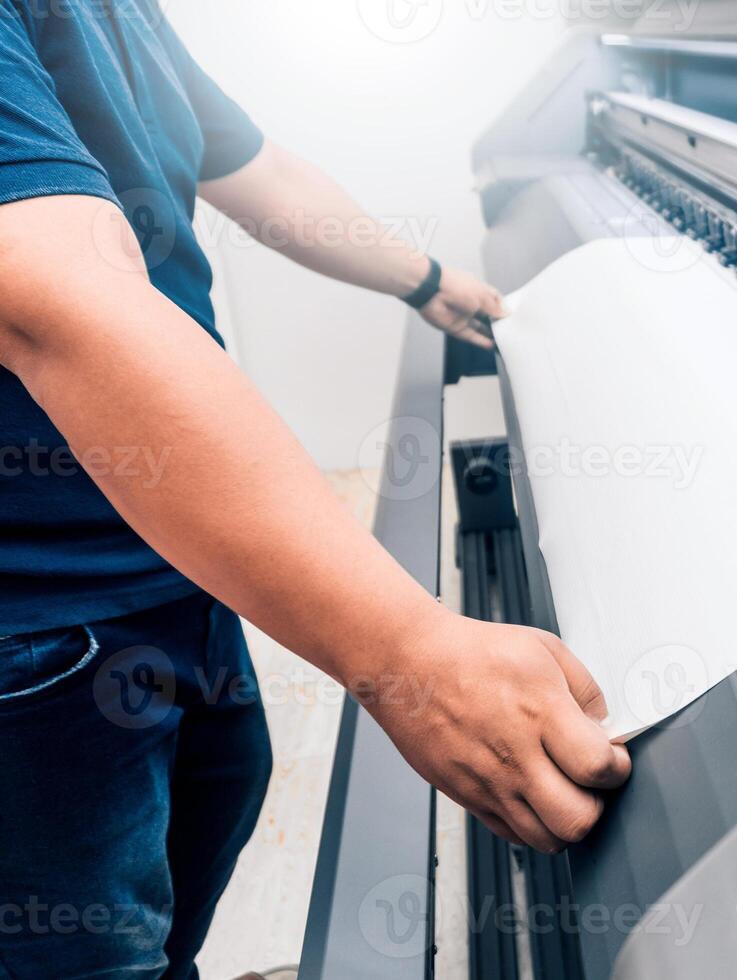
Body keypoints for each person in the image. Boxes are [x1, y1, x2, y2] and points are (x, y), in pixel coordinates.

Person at [0, 1, 631, 976]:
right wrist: (408, 648)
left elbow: (261, 172)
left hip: (178, 547)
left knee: (191, 850)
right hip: (39, 620)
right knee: (82, 938)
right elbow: (56, 301)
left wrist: (423, 278)